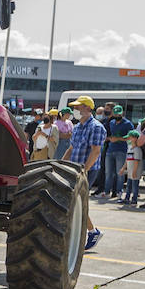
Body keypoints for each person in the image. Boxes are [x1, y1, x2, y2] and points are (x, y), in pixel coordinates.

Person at [65, 96, 104, 250]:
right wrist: (59, 164)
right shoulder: (78, 127)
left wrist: (85, 171)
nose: (75, 110)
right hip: (74, 168)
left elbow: (95, 152)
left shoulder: (96, 127)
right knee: (72, 201)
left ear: (88, 108)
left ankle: (92, 232)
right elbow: (71, 148)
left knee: (78, 202)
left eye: (78, 107)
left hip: (88, 170)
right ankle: (89, 231)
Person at [102, 105, 134, 200]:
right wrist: (109, 139)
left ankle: (119, 191)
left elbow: (131, 137)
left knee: (119, 173)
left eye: (118, 113)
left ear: (122, 113)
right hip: (110, 150)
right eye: (115, 113)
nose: (117, 115)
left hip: (121, 150)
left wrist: (118, 139)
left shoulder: (128, 124)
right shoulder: (111, 122)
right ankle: (107, 191)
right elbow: (109, 135)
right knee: (108, 172)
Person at [120, 129, 143, 205]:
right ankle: (127, 198)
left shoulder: (137, 149)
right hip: (130, 171)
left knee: (135, 186)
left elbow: (136, 161)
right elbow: (127, 160)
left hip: (135, 171)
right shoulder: (130, 148)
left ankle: (134, 199)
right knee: (128, 186)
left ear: (135, 138)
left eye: (130, 138)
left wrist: (134, 171)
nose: (128, 139)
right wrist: (123, 168)